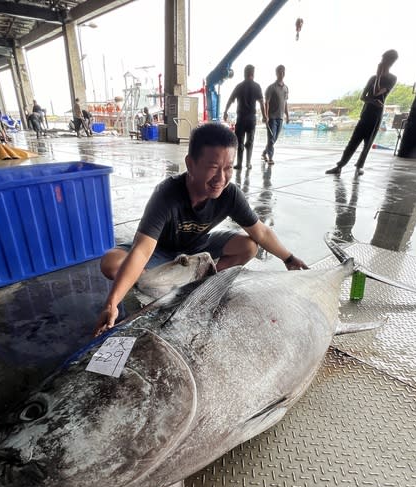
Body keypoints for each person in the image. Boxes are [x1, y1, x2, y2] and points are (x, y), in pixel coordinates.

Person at [94, 122, 308, 336]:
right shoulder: (167, 193)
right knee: (111, 263)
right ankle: (160, 284)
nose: (221, 179)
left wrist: (288, 259)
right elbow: (142, 250)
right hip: (161, 252)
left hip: (198, 247)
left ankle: (197, 284)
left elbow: (260, 231)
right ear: (191, 164)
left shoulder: (230, 194)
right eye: (213, 167)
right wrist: (112, 303)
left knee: (249, 246)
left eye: (228, 168)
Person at [326, 49, 398, 176]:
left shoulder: (392, 78)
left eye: (385, 60)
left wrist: (379, 77)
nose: (382, 62)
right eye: (382, 60)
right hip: (366, 113)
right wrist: (377, 79)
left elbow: (377, 92)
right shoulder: (373, 78)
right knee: (353, 140)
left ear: (391, 62)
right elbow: (363, 97)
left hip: (376, 115)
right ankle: (340, 165)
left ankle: (359, 166)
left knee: (367, 143)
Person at [223, 64, 267, 171]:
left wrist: (225, 111)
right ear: (253, 73)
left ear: (244, 73)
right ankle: (248, 163)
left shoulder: (239, 86)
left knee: (240, 142)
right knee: (250, 141)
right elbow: (262, 103)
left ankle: (239, 164)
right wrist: (265, 116)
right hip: (251, 118)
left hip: (241, 118)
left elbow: (230, 99)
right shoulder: (257, 86)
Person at [261, 65, 290, 166]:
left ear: (284, 73)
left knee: (274, 139)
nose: (281, 74)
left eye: (283, 72)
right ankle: (270, 158)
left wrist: (287, 115)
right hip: (272, 117)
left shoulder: (286, 88)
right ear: (276, 73)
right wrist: (266, 116)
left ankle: (264, 153)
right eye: (279, 72)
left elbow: (285, 103)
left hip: (280, 117)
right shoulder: (271, 88)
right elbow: (266, 102)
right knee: (271, 138)